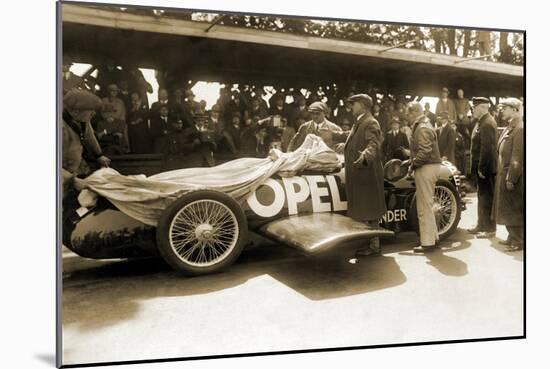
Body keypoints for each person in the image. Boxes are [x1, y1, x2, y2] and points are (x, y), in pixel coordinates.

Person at [61, 90, 111, 245]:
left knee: (72, 205)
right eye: (90, 112)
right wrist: (71, 179)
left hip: (72, 171)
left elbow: (89, 137)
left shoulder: (82, 120)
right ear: (76, 111)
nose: (93, 115)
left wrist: (99, 155)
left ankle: (66, 237)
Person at [344, 94, 386, 256]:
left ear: (362, 105)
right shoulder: (361, 121)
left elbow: (373, 143)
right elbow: (356, 139)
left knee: (370, 210)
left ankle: (374, 246)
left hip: (366, 174)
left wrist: (366, 155)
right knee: (366, 209)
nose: (351, 107)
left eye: (353, 104)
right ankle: (370, 244)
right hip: (361, 174)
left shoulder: (370, 122)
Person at [405, 102, 442, 253]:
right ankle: (433, 238)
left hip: (426, 167)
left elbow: (425, 152)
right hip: (430, 166)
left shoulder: (421, 127)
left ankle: (427, 243)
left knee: (424, 206)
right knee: (428, 204)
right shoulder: (424, 125)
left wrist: (412, 164)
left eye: (408, 114)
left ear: (413, 112)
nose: (406, 117)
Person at [493, 98, 524, 251]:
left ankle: (519, 240)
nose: (502, 111)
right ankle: (512, 236)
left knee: (513, 209)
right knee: (507, 208)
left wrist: (511, 178)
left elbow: (517, 157)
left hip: (511, 175)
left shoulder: (520, 128)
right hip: (504, 173)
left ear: (514, 109)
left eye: (505, 108)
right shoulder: (511, 126)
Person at [468, 97, 498, 238]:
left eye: (474, 107)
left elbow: (487, 149)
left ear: (482, 107)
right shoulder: (482, 122)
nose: (472, 110)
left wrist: (481, 168)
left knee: (488, 198)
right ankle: (481, 224)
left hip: (485, 168)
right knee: (482, 197)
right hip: (482, 168)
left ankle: (490, 228)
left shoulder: (487, 123)